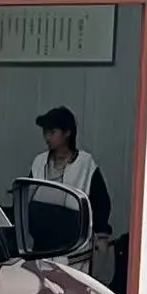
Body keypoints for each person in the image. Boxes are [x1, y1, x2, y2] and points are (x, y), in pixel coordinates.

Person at [31, 106, 116, 282]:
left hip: (74, 251)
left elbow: (101, 203)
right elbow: (26, 199)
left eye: (52, 132)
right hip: (42, 249)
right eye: (45, 133)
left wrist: (102, 235)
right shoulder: (39, 162)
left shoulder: (85, 164)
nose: (47, 138)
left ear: (67, 133)